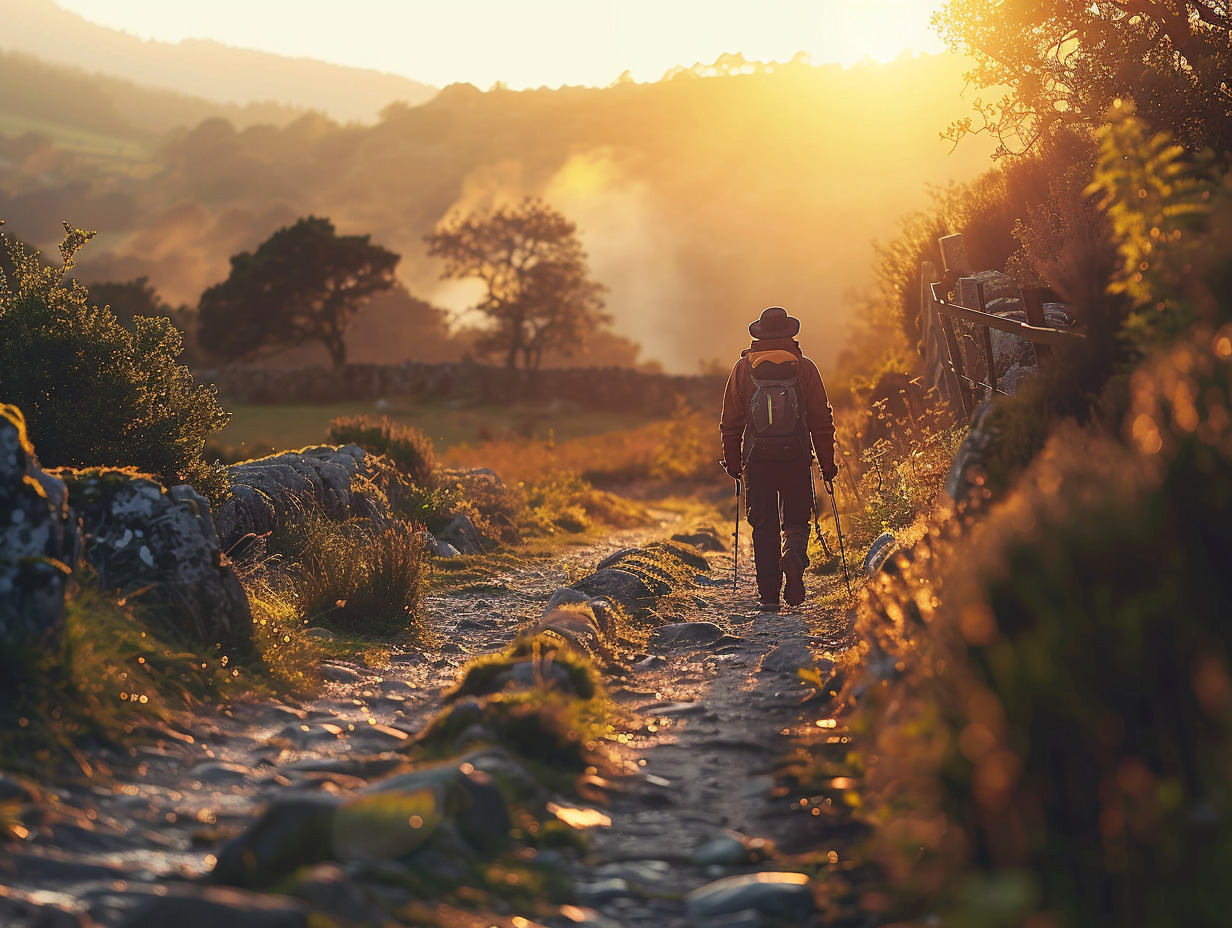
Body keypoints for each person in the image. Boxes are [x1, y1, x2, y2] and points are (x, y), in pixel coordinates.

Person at [720, 306, 837, 609]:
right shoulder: (805, 367)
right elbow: (821, 421)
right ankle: (794, 558)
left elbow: (731, 421)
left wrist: (733, 463)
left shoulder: (743, 369)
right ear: (790, 334)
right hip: (796, 456)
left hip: (757, 459)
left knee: (763, 525)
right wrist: (827, 465)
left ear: (759, 335)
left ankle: (769, 595)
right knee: (797, 518)